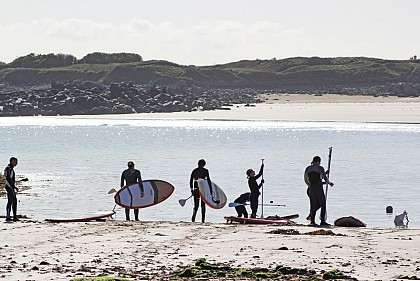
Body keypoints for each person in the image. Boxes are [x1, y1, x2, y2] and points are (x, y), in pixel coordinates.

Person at [304, 156, 334, 226]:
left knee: (313, 205)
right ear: (318, 161)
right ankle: (322, 221)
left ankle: (312, 222)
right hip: (319, 189)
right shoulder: (320, 168)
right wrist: (329, 183)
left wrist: (310, 185)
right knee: (323, 204)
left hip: (311, 189)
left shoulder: (308, 168)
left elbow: (306, 180)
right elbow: (325, 179)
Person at [4, 157, 19, 222]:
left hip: (8, 186)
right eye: (15, 161)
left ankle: (8, 216)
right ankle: (14, 217)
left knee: (10, 201)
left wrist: (14, 186)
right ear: (12, 161)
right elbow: (8, 179)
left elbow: (8, 179)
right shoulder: (10, 169)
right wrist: (12, 187)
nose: (17, 163)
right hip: (9, 187)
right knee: (14, 201)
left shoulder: (7, 168)